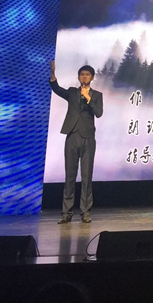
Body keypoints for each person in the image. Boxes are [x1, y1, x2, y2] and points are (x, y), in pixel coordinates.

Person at [49, 60, 103, 224]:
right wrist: (53, 75)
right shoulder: (72, 92)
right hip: (72, 135)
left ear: (92, 77)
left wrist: (88, 98)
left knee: (86, 176)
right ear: (79, 77)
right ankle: (66, 212)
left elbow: (99, 113)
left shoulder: (97, 95)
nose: (84, 77)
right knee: (70, 175)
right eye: (82, 74)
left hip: (88, 137)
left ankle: (85, 212)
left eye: (87, 75)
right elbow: (57, 89)